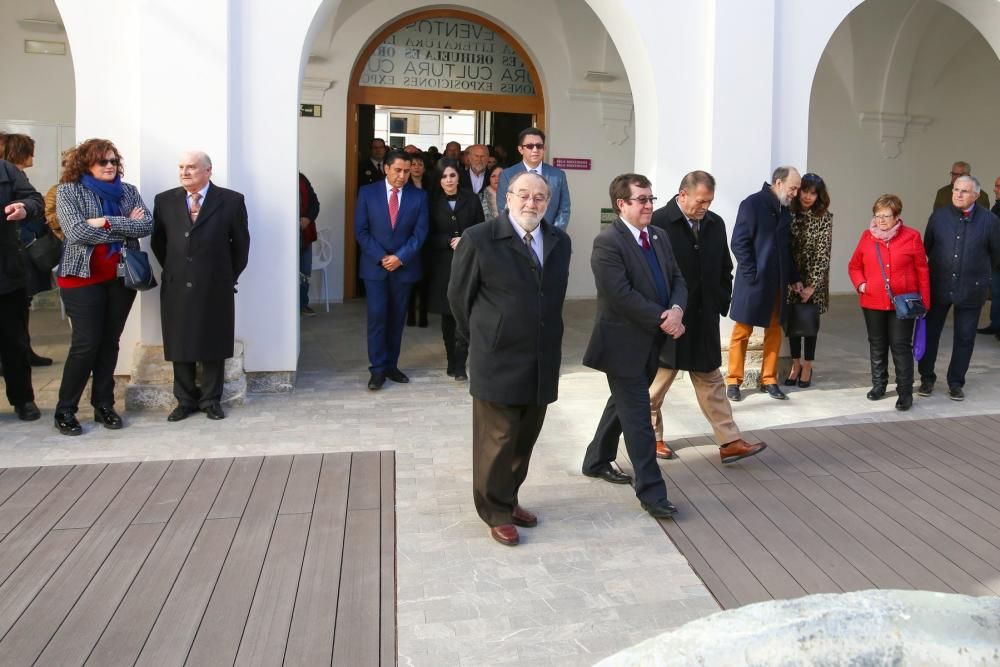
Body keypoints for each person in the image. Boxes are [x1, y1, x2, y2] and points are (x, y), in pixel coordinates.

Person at [448, 171, 571, 546]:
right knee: (497, 439)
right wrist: (484, 339)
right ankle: (495, 510)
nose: (530, 203)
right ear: (507, 198)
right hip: (497, 357)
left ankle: (510, 497)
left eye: (539, 198)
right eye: (523, 195)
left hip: (541, 356)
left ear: (548, 203)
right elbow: (458, 298)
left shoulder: (559, 241)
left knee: (524, 437)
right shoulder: (479, 239)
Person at [581, 173, 687, 519]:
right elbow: (620, 296)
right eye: (641, 199)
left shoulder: (659, 236)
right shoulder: (607, 242)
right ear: (621, 204)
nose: (648, 205)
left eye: (650, 198)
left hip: (652, 340)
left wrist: (677, 309)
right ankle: (653, 493)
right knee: (639, 416)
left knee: (623, 403)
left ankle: (596, 459)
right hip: (621, 344)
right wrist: (663, 317)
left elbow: (677, 279)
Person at [648, 171, 766, 463]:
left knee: (711, 380)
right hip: (670, 320)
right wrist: (659, 313)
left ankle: (730, 441)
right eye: (700, 201)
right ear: (682, 194)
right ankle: (651, 439)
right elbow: (650, 273)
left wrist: (719, 299)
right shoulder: (659, 223)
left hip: (704, 317)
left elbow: (725, 266)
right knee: (655, 385)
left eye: (709, 202)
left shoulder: (715, 224)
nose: (705, 207)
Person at [54, 138, 153, 435]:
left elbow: (146, 224)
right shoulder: (69, 191)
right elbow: (76, 231)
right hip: (81, 278)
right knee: (85, 345)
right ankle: (66, 410)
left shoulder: (128, 191)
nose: (110, 166)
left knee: (110, 341)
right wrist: (122, 223)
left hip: (120, 278)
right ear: (86, 164)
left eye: (113, 161)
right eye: (102, 162)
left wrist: (104, 222)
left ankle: (104, 405)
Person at [151, 151, 250, 421]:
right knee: (179, 341)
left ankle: (210, 400)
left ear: (208, 171)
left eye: (192, 167)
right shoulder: (165, 200)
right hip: (177, 283)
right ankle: (184, 400)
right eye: (181, 167)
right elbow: (158, 243)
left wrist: (228, 276)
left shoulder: (230, 200)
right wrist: (176, 268)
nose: (185, 172)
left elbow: (241, 245)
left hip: (215, 282)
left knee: (214, 340)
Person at [918, 175, 1000, 401]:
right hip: (939, 284)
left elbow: (996, 255)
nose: (958, 194)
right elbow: (928, 246)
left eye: (964, 191)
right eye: (956, 189)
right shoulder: (939, 217)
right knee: (930, 333)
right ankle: (926, 378)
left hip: (972, 288)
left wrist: (975, 271)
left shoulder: (990, 221)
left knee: (964, 337)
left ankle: (956, 382)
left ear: (976, 195)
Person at [726, 166, 803, 402]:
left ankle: (769, 379)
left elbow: (785, 251)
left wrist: (793, 278)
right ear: (778, 183)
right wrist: (752, 274)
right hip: (754, 282)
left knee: (774, 331)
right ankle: (733, 381)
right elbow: (739, 243)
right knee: (742, 332)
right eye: (793, 188)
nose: (795, 194)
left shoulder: (785, 210)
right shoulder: (752, 204)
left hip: (777, 284)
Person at [355, 150, 429, 390]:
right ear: (386, 168)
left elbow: (420, 234)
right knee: (377, 318)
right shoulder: (367, 193)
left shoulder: (419, 197)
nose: (402, 175)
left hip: (403, 268)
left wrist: (400, 257)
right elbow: (361, 231)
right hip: (375, 268)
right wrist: (382, 257)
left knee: (397, 319)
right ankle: (376, 370)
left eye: (407, 171)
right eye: (398, 170)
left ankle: (391, 366)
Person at [847, 195, 930, 410]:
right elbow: (854, 266)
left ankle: (905, 392)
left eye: (886, 216)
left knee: (901, 346)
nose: (881, 220)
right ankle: (879, 385)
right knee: (877, 344)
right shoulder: (867, 237)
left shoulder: (912, 236)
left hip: (903, 303)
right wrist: (861, 285)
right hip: (872, 301)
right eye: (877, 215)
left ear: (897, 216)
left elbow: (922, 270)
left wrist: (925, 302)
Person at [426, 159, 484, 381]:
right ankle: (452, 360)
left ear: (459, 177)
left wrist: (466, 240)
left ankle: (461, 363)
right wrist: (448, 240)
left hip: (469, 263)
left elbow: (481, 227)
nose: (448, 180)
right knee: (448, 316)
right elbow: (426, 234)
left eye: (452, 175)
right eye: (443, 177)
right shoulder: (431, 202)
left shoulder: (471, 199)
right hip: (443, 265)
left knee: (466, 314)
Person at [1, 133, 54, 366]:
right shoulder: (12, 173)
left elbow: (34, 202)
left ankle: (23, 355)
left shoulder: (12, 175)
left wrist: (25, 207)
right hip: (21, 250)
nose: (33, 156)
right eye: (30, 151)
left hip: (18, 256)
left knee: (20, 310)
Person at [0, 158, 44, 421]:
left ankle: (23, 400)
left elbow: (35, 200)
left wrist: (24, 207)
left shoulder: (6, 169)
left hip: (6, 273)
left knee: (14, 342)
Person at [785, 173, 833, 388]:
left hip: (815, 279)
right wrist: (792, 279)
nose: (807, 197)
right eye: (805, 191)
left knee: (809, 324)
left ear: (819, 196)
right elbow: (784, 247)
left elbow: (823, 253)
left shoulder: (824, 217)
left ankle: (808, 365)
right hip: (791, 276)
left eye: (813, 193)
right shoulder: (788, 213)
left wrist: (812, 285)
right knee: (793, 322)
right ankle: (795, 364)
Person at [497, 128, 571, 230]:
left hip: (549, 237)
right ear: (520, 149)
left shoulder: (558, 175)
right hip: (517, 237)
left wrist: (554, 233)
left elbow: (564, 209)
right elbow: (503, 208)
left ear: (544, 149)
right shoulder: (508, 174)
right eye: (530, 146)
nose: (535, 150)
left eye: (539, 146)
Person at [406, 152, 435, 328]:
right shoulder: (404, 185)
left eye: (420, 164)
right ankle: (410, 315)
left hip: (427, 236)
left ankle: (423, 314)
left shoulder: (431, 185)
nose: (417, 168)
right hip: (408, 236)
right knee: (409, 277)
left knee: (424, 277)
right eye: (414, 164)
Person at [977, 175, 1000, 335]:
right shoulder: (997, 206)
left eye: (998, 186)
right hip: (996, 260)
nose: (995, 189)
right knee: (996, 292)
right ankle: (996, 324)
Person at [298, 172, 320, 316]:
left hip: (304, 232)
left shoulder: (301, 178)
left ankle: (302, 305)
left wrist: (307, 218)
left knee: (304, 271)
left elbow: (315, 204)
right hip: (283, 235)